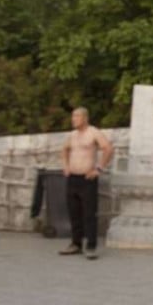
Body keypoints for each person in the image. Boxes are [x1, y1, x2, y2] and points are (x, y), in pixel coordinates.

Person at [59, 107, 113, 260]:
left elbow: (108, 148)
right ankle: (76, 244)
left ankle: (91, 246)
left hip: (88, 179)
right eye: (73, 116)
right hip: (73, 178)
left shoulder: (93, 132)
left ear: (85, 118)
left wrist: (99, 168)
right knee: (74, 212)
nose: (73, 119)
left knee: (89, 213)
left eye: (76, 116)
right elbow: (64, 150)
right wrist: (65, 166)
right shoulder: (72, 135)